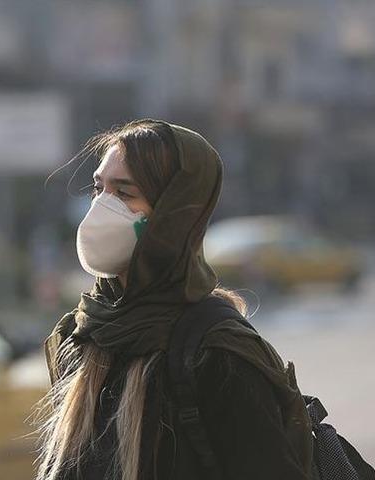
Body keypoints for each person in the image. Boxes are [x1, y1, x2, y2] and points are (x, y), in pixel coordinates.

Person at [36, 119, 313, 480]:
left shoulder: (219, 355)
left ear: (174, 212)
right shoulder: (81, 336)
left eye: (124, 193)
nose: (102, 206)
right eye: (98, 187)